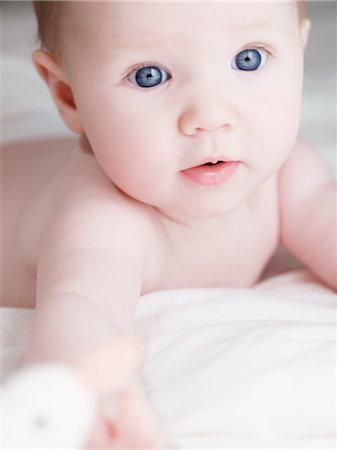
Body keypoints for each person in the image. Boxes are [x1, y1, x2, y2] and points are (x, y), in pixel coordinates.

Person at [2, 0, 336, 447]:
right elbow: (83, 308)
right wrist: (96, 408)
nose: (210, 115)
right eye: (149, 76)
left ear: (298, 50)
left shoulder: (286, 172)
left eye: (248, 59)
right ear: (69, 95)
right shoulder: (104, 217)